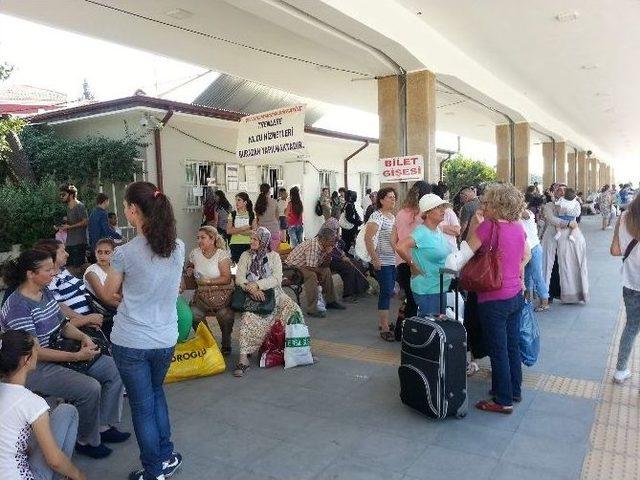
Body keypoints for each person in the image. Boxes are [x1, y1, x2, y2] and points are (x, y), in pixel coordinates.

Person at [0, 249, 128, 460]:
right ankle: (86, 440)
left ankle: (103, 427)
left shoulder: (45, 291)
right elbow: (35, 352)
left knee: (114, 370)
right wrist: (77, 357)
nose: (54, 273)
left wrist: (82, 338)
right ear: (30, 274)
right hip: (32, 366)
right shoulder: (17, 306)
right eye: (49, 270)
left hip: (61, 350)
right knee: (89, 388)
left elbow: (63, 325)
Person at [101, 181, 185, 480]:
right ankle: (166, 456)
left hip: (132, 341)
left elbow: (109, 293)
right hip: (165, 338)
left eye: (125, 207)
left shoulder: (125, 253)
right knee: (156, 395)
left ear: (134, 211)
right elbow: (173, 288)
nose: (123, 211)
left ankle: (154, 471)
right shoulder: (178, 246)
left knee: (142, 407)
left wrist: (128, 295)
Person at [464, 183, 530, 414]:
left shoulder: (488, 228)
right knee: (512, 345)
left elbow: (465, 254)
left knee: (498, 348)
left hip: (493, 298)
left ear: (497, 205)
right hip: (515, 295)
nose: (484, 206)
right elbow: (524, 256)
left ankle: (503, 400)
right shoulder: (518, 227)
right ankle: (514, 390)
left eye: (488, 202)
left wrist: (475, 226)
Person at [0, 330, 87, 480]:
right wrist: (79, 476)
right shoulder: (32, 402)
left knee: (66, 411)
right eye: (36, 348)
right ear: (27, 359)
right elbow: (54, 461)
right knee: (68, 412)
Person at [233, 227, 305, 377]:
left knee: (294, 310)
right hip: (251, 295)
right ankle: (243, 359)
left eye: (255, 239)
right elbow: (239, 278)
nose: (251, 241)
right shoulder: (245, 255)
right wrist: (251, 289)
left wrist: (258, 285)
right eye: (251, 238)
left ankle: (300, 350)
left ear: (263, 241)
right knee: (248, 318)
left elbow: (277, 278)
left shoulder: (273, 257)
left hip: (274, 294)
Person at [396, 194, 453, 316]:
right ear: (427, 212)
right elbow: (400, 247)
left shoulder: (437, 230)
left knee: (438, 328)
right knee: (430, 329)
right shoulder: (421, 232)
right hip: (428, 288)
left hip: (439, 286)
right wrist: (412, 265)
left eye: (443, 207)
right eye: (438, 207)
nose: (443, 210)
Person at [33, 239, 105, 331]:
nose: (67, 254)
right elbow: (58, 307)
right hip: (80, 328)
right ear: (50, 255)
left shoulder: (63, 271)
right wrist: (86, 320)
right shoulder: (49, 279)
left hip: (93, 318)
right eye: (62, 251)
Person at [185, 226, 235, 355]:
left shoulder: (221, 254)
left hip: (221, 297)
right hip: (202, 298)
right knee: (193, 314)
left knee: (225, 315)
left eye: (203, 237)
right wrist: (190, 268)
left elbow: (226, 278)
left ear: (212, 239)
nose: (199, 240)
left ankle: (226, 345)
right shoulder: (195, 253)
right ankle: (209, 342)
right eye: (198, 238)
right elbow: (190, 264)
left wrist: (207, 282)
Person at [541, 184, 589, 304]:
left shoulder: (574, 203)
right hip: (552, 239)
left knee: (570, 266)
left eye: (564, 189)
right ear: (554, 192)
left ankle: (571, 295)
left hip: (569, 241)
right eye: (559, 189)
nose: (562, 191)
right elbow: (551, 219)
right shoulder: (549, 205)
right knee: (550, 267)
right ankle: (548, 294)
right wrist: (567, 223)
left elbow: (576, 218)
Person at [610, 193, 640, 384]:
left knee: (631, 326)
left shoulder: (623, 217)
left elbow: (615, 250)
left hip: (631, 283)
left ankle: (620, 370)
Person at [392, 181, 430, 321]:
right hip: (417, 261)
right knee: (415, 300)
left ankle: (400, 331)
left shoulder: (400, 213)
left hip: (401, 259)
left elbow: (394, 239)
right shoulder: (424, 215)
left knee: (409, 298)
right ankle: (410, 333)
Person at [285, 229, 346, 318]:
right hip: (291, 269)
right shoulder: (314, 245)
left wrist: (329, 254)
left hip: (305, 266)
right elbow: (311, 267)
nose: (333, 243)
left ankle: (331, 301)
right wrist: (320, 272)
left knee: (326, 271)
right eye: (331, 241)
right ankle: (312, 309)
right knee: (311, 275)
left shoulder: (326, 246)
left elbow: (325, 265)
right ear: (323, 240)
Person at [365, 187, 397, 342]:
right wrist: (375, 258)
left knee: (389, 291)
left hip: (393, 261)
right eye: (390, 197)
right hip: (383, 261)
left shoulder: (392, 216)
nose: (393, 200)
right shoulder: (376, 216)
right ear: (382, 200)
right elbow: (368, 238)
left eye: (394, 197)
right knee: (386, 292)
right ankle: (384, 327)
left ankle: (383, 322)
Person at [322, 218, 369, 303]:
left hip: (338, 257)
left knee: (357, 263)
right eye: (335, 229)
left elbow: (342, 246)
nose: (337, 230)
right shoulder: (324, 235)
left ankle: (359, 289)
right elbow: (328, 252)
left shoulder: (334, 235)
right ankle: (347, 295)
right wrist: (341, 257)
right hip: (329, 260)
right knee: (349, 267)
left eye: (337, 229)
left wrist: (339, 239)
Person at [83, 238, 121, 338]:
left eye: (107, 252)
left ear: (113, 253)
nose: (102, 256)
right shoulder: (92, 272)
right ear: (95, 253)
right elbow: (105, 299)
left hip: (116, 306)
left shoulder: (114, 269)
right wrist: (128, 306)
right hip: (105, 310)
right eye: (99, 252)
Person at [521, 196, 549, 312]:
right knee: (526, 277)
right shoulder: (514, 217)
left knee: (537, 276)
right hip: (524, 251)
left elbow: (524, 215)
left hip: (534, 249)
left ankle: (544, 301)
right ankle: (526, 301)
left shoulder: (528, 214)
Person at [58, 185, 88, 269]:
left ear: (71, 195)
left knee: (78, 269)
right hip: (70, 242)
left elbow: (85, 222)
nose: (61, 197)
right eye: (60, 195)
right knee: (69, 268)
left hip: (79, 242)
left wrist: (70, 226)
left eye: (63, 194)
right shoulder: (68, 207)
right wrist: (62, 224)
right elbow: (72, 222)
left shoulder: (79, 206)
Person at [87, 193, 122, 258]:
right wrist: (119, 236)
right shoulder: (103, 213)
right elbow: (107, 230)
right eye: (108, 201)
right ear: (105, 201)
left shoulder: (92, 213)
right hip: (102, 244)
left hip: (93, 245)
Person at [227, 192, 256, 264]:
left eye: (239, 200)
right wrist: (243, 229)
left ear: (245, 202)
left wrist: (236, 231)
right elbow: (228, 231)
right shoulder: (232, 214)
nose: (236, 202)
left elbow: (254, 232)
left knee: (249, 266)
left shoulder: (252, 214)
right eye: (236, 200)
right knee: (239, 267)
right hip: (235, 244)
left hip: (248, 244)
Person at [433, 182, 461, 249]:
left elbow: (457, 231)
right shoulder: (426, 213)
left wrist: (439, 227)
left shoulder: (448, 212)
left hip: (450, 252)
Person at [255, 183, 281, 251]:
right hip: (274, 230)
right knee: (274, 253)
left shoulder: (258, 203)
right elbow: (277, 217)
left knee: (263, 253)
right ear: (269, 191)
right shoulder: (274, 202)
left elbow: (257, 218)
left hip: (262, 231)